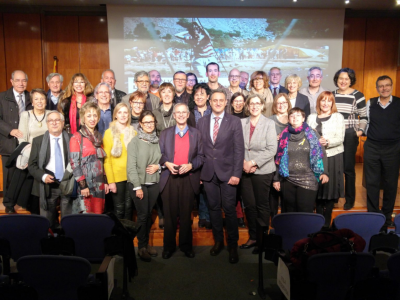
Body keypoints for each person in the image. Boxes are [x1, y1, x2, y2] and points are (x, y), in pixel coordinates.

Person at [197, 89, 245, 264]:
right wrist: (200, 173)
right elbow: (199, 149)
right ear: (209, 102)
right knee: (213, 209)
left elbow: (239, 150)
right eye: (214, 100)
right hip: (208, 173)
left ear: (226, 102)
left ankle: (233, 245)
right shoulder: (201, 122)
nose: (217, 103)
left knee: (230, 210)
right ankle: (218, 242)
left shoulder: (234, 122)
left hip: (228, 174)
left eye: (221, 100)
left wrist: (236, 174)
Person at [159, 103, 204, 259]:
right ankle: (168, 247)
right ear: (174, 115)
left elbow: (201, 157)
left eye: (183, 112)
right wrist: (166, 163)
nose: (180, 114)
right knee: (169, 216)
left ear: (187, 114)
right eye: (178, 112)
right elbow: (161, 154)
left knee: (186, 216)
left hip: (188, 178)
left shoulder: (196, 134)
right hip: (169, 178)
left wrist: (191, 165)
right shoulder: (165, 134)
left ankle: (186, 246)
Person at [239, 95, 277, 252]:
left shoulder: (269, 123)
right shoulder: (241, 123)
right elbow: (235, 146)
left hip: (263, 170)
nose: (254, 106)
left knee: (262, 205)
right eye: (251, 104)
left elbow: (271, 149)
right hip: (244, 170)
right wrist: (243, 163)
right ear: (247, 106)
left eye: (257, 103)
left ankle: (263, 240)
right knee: (249, 205)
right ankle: (253, 237)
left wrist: (253, 163)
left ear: (262, 106)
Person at [273, 108, 329, 213]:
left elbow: (322, 153)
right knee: (289, 213)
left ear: (303, 118)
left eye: (298, 115)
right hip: (287, 179)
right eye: (292, 116)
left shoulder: (312, 134)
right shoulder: (283, 136)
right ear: (288, 119)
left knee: (305, 212)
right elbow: (278, 159)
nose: (295, 118)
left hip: (308, 179)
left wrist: (325, 172)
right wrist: (276, 179)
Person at [364, 75, 400, 230]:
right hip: (372, 146)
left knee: (391, 183)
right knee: (371, 182)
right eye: (381, 86)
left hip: (393, 148)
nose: (384, 88)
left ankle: (386, 216)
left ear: (391, 86)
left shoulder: (399, 103)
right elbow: (366, 122)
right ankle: (373, 215)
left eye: (387, 85)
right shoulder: (370, 103)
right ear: (377, 88)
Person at [28, 111, 72, 229]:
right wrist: (43, 176)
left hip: (67, 184)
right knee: (47, 224)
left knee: (68, 222)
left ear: (63, 123)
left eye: (57, 120)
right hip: (47, 186)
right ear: (47, 124)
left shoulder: (72, 139)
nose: (54, 123)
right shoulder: (38, 141)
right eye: (50, 121)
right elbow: (32, 165)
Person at [127, 111, 161, 262]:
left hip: (153, 183)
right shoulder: (134, 142)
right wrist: (137, 186)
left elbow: (164, 159)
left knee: (148, 215)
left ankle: (146, 244)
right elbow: (131, 167)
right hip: (138, 184)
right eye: (146, 122)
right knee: (142, 216)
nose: (149, 125)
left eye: (151, 122)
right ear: (140, 123)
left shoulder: (158, 141)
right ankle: (141, 247)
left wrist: (158, 167)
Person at [307, 92, 345, 229]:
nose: (325, 103)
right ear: (318, 102)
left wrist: (327, 141)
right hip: (315, 158)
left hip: (333, 156)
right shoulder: (311, 117)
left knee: (329, 190)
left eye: (329, 101)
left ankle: (326, 224)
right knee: (317, 190)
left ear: (332, 103)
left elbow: (340, 138)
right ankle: (317, 222)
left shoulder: (338, 117)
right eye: (323, 100)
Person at [333, 68, 367, 210]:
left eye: (347, 79)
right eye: (341, 78)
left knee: (348, 169)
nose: (343, 81)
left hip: (349, 135)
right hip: (333, 135)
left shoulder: (357, 95)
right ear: (337, 80)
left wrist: (358, 132)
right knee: (334, 168)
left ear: (351, 80)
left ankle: (350, 199)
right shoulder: (332, 94)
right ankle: (334, 196)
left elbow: (364, 117)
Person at [0, 70, 31, 214]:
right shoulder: (2, 97)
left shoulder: (31, 97)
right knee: (9, 176)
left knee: (26, 173)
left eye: (23, 80)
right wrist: (10, 130)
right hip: (9, 142)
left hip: (27, 142)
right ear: (11, 81)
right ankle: (9, 204)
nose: (21, 83)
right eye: (18, 80)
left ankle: (23, 201)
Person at [70, 102, 109, 214]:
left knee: (98, 216)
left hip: (99, 185)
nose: (92, 118)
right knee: (85, 219)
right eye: (89, 115)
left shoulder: (99, 136)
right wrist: (83, 186)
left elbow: (102, 161)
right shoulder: (76, 137)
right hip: (85, 185)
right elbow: (74, 163)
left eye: (95, 115)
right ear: (83, 118)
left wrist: (105, 181)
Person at [103, 103, 137, 220]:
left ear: (129, 115)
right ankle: (119, 237)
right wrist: (111, 181)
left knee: (129, 208)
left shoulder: (134, 133)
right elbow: (106, 160)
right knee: (119, 208)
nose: (123, 115)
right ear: (115, 115)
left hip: (131, 177)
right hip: (116, 178)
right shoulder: (109, 133)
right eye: (120, 112)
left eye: (125, 112)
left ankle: (128, 236)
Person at [187, 83, 212, 229]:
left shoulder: (214, 111)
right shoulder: (189, 113)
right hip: (193, 154)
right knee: (198, 185)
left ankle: (208, 216)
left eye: (202, 94)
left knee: (208, 186)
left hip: (210, 154)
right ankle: (201, 216)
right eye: (196, 94)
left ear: (208, 96)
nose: (199, 97)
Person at [268, 93, 292, 218]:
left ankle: (285, 221)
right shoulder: (270, 120)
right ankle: (273, 220)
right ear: (275, 105)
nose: (281, 105)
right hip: (273, 161)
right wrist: (273, 139)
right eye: (279, 103)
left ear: (288, 104)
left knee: (287, 195)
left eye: (284, 102)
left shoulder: (293, 118)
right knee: (273, 194)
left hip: (290, 162)